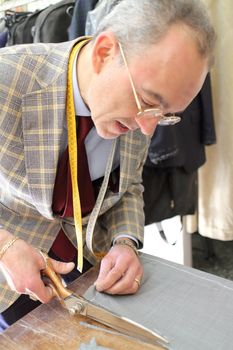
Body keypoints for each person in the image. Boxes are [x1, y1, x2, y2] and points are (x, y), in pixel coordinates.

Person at [0, 0, 215, 328]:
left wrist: (125, 242)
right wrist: (4, 247)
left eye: (167, 114)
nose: (148, 129)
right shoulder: (7, 80)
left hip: (88, 272)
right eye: (148, 102)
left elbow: (128, 185)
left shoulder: (143, 108)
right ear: (104, 53)